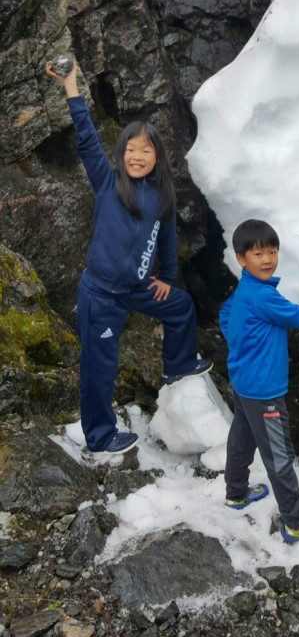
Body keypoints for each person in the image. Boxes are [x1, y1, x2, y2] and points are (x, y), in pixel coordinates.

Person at [45, 59, 212, 456]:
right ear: (120, 155)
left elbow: (166, 239)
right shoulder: (107, 182)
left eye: (146, 150)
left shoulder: (162, 194)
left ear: (157, 157)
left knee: (181, 306)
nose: (137, 156)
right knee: (99, 369)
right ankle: (100, 436)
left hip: (137, 288)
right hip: (100, 295)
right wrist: (71, 85)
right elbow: (86, 137)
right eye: (130, 149)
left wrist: (167, 280)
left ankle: (177, 364)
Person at [219, 219, 299, 544]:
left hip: (244, 384)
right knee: (279, 456)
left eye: (272, 251)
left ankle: (235, 493)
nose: (268, 259)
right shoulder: (264, 297)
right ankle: (296, 522)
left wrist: (242, 346)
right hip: (265, 394)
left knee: (242, 439)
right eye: (258, 253)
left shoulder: (244, 291)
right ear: (241, 259)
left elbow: (224, 316)